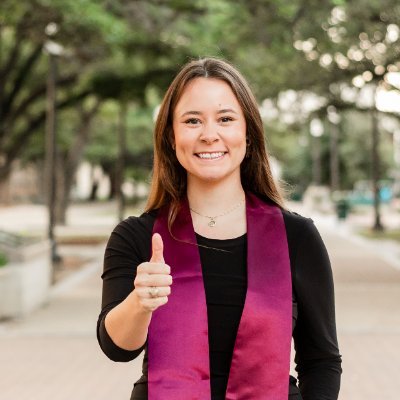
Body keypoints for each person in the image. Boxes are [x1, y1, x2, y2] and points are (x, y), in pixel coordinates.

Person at [97, 57, 342, 400]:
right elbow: (116, 348)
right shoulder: (138, 236)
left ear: (248, 134)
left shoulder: (296, 237)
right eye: (192, 121)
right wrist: (141, 301)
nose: (209, 135)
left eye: (225, 119)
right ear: (171, 136)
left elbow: (321, 360)